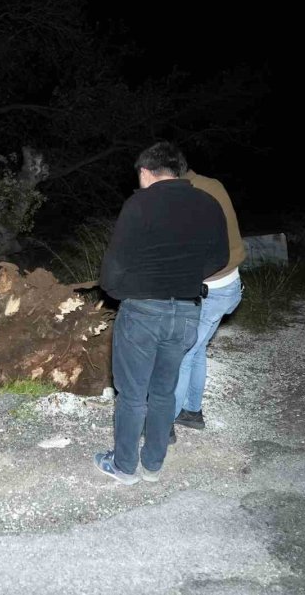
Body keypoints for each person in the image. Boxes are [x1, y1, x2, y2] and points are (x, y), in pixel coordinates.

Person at [94, 142, 229, 485]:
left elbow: (114, 265)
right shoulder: (208, 203)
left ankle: (124, 467)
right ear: (178, 171)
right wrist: (187, 277)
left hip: (143, 312)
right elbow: (220, 258)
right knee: (164, 391)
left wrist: (121, 292)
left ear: (145, 172)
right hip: (186, 311)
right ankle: (153, 464)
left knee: (133, 394)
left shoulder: (140, 204)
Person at [172, 169, 246, 430]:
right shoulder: (211, 183)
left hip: (211, 290)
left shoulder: (189, 198)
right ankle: (192, 412)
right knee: (197, 348)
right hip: (229, 284)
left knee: (181, 353)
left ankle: (165, 422)